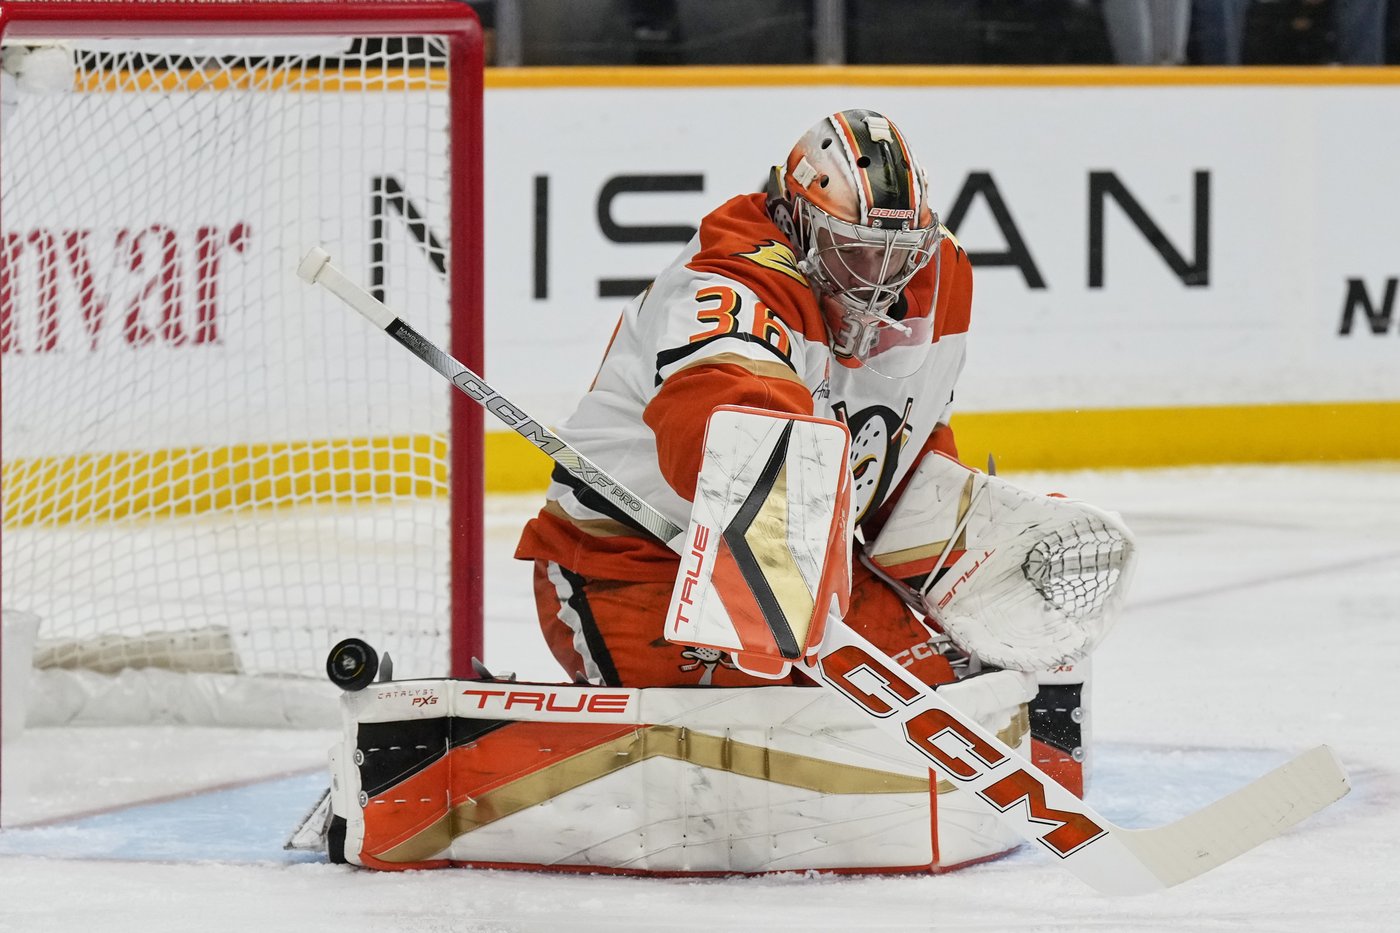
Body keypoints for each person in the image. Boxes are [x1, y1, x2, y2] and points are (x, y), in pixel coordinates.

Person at [515, 109, 976, 690]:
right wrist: (782, 550)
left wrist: (962, 566)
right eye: (852, 251)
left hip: (807, 565)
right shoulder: (731, 280)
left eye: (896, 255)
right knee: (755, 725)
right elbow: (730, 431)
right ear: (797, 223)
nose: (876, 282)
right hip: (632, 562)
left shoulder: (941, 270)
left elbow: (904, 446)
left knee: (937, 695)